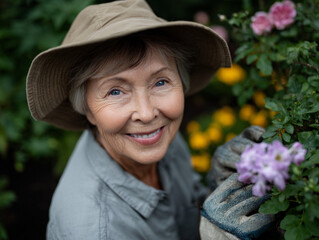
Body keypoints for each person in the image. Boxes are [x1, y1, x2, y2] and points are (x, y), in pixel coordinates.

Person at [26, 0, 273, 239]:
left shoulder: (158, 139)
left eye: (161, 82)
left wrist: (215, 189)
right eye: (115, 91)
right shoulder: (94, 230)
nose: (146, 114)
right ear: (87, 109)